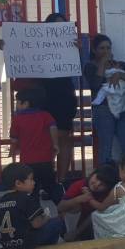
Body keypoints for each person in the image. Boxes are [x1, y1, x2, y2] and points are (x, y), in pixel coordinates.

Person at [83, 33, 125, 166]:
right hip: (103, 110)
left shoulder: (119, 64)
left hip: (120, 109)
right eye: (102, 48)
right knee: (106, 147)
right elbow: (95, 84)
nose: (106, 51)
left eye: (108, 48)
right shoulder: (90, 66)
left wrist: (118, 73)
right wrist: (102, 64)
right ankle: (105, 179)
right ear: (94, 50)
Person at [39, 13, 80, 180]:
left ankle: (60, 181)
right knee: (43, 141)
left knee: (63, 138)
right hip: (42, 95)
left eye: (63, 26)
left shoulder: (73, 45)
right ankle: (46, 180)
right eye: (56, 26)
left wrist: (78, 51)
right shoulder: (36, 44)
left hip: (63, 95)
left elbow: (83, 68)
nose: (60, 29)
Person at [0, 163, 65, 249]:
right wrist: (46, 217)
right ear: (18, 183)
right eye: (31, 179)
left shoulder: (1, 200)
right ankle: (48, 248)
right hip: (26, 243)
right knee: (57, 222)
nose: (34, 182)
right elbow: (36, 224)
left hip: (7, 243)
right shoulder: (27, 199)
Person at [9, 87, 60, 203]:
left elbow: (14, 139)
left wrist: (13, 150)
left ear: (26, 103)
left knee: (32, 190)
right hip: (46, 158)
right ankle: (63, 209)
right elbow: (53, 128)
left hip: (28, 161)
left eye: (17, 102)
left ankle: (35, 214)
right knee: (51, 186)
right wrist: (56, 144)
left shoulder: (18, 119)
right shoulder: (45, 115)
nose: (16, 105)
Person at [57, 165, 119, 241]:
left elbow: (96, 214)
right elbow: (60, 207)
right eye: (97, 178)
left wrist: (77, 232)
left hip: (95, 224)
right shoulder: (79, 185)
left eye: (102, 185)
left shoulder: (108, 194)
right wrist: (78, 199)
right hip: (74, 221)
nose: (96, 185)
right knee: (76, 208)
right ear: (93, 173)